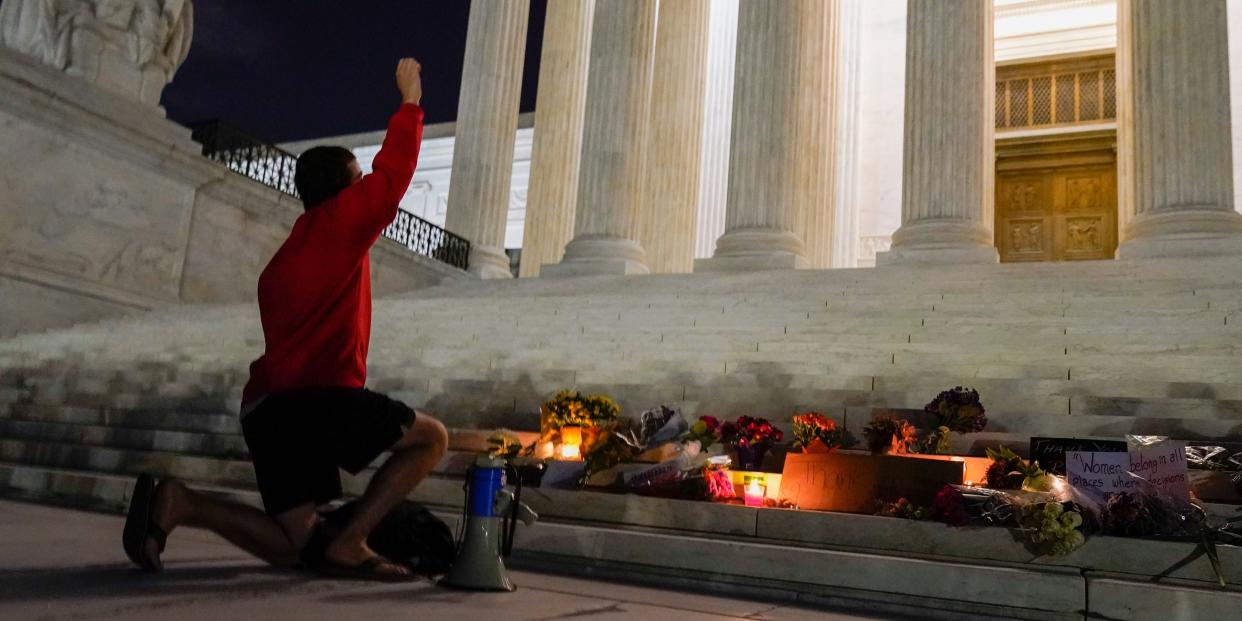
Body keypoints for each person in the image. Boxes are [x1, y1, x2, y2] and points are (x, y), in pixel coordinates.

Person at [122, 58, 448, 581]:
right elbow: (393, 179)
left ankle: (180, 504)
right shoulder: (338, 225)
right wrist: (410, 99)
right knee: (431, 438)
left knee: (293, 544)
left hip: (267, 406)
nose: (365, 188)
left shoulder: (286, 258)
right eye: (357, 180)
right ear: (344, 191)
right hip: (314, 398)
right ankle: (354, 540)